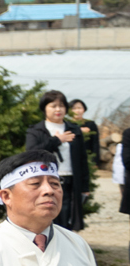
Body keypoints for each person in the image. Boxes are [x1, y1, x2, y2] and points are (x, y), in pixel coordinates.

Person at [24, 89, 88, 232]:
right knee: (47, 217)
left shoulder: (74, 129)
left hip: (70, 179)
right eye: (53, 106)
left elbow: (82, 159)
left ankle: (64, 248)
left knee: (68, 217)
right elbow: (32, 152)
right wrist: (57, 140)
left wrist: (85, 187)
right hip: (45, 180)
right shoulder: (36, 130)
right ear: (44, 108)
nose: (58, 109)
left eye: (61, 106)